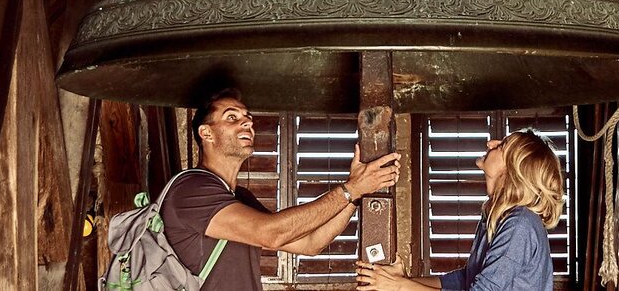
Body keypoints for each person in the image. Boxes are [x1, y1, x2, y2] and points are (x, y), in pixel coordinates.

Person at [162, 88, 400, 290]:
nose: (247, 122)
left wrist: (355, 195)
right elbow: (271, 234)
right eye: (232, 117)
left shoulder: (240, 197)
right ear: (206, 133)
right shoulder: (190, 189)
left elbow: (310, 244)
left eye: (247, 117)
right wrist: (350, 189)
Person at [356, 130, 563, 290]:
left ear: (512, 169)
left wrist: (400, 287)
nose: (491, 143)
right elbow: (465, 279)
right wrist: (404, 281)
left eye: (502, 146)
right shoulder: (497, 217)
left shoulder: (519, 225)